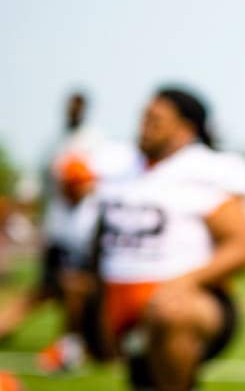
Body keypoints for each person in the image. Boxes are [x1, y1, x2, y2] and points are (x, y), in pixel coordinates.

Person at [89, 87, 245, 391]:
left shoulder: (204, 171)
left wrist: (183, 283)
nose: (144, 127)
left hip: (187, 303)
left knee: (170, 313)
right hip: (119, 297)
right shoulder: (118, 166)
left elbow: (244, 247)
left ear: (184, 129)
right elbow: (99, 238)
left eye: (156, 120)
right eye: (143, 118)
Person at [0, 92, 140, 374]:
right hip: (62, 243)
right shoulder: (56, 145)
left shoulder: (96, 148)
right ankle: (69, 344)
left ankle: (76, 344)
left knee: (76, 296)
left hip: (101, 269)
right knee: (46, 292)